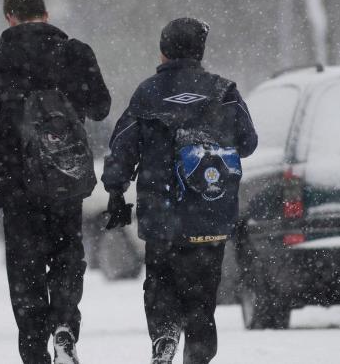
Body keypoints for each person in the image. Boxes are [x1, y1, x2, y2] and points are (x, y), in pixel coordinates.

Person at [0, 0, 111, 364]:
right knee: (67, 254)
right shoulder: (75, 51)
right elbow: (100, 107)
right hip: (65, 177)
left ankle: (34, 352)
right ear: (45, 15)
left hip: (16, 185)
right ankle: (64, 324)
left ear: (9, 17)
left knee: (25, 269)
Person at [101, 18, 258, 364]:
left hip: (161, 214)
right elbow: (248, 142)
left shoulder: (147, 94)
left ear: (164, 51)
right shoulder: (224, 91)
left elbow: (122, 149)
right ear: (200, 50)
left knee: (160, 283)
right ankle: (198, 353)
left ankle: (164, 336)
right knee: (203, 294)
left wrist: (115, 191)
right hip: (209, 211)